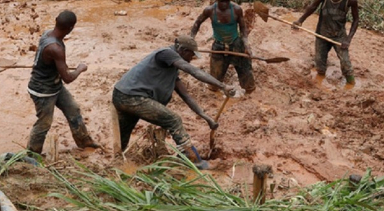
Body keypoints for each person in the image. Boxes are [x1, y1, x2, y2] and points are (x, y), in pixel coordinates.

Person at [112, 35, 235, 169]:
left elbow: (186, 96)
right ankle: (193, 159)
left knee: (124, 133)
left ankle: (118, 165)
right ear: (182, 50)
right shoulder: (166, 53)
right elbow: (193, 71)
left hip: (123, 95)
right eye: (191, 55)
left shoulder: (171, 69)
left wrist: (205, 117)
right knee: (173, 119)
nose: (191, 59)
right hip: (131, 97)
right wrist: (222, 86)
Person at [26, 10, 100, 155]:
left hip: (55, 85)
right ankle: (32, 154)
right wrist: (80, 69)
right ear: (71, 28)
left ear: (56, 21)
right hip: (42, 91)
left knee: (73, 110)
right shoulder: (56, 48)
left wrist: (59, 66)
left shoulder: (47, 34)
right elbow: (68, 78)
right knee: (44, 124)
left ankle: (84, 141)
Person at [292, 0, 359, 85]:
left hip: (339, 35)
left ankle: (351, 85)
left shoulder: (351, 0)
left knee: (346, 63)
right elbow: (313, 6)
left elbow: (356, 21)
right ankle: (319, 83)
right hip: (322, 32)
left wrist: (348, 39)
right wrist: (300, 20)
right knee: (320, 63)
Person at [190, 0, 255, 93]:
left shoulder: (236, 9)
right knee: (214, 83)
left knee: (247, 78)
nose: (225, 3)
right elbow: (197, 23)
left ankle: (249, 94)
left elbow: (243, 28)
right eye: (222, 1)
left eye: (227, 1)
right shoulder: (210, 10)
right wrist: (191, 39)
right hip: (219, 46)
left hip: (236, 44)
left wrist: (246, 45)